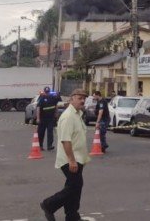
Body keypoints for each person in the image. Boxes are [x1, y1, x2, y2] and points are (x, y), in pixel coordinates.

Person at [40, 88, 91, 221]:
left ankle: (72, 215)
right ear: (71, 98)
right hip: (70, 159)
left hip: (78, 158)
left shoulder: (77, 114)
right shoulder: (68, 116)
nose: (83, 100)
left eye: (84, 98)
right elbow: (65, 140)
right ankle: (49, 204)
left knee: (75, 188)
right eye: (79, 98)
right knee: (73, 187)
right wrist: (72, 160)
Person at [37, 86, 60, 151]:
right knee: (41, 132)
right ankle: (40, 145)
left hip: (50, 118)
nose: (47, 93)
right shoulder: (41, 98)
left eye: (48, 92)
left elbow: (56, 106)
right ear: (44, 92)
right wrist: (38, 118)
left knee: (50, 132)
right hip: (42, 118)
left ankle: (49, 145)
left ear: (49, 92)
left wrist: (56, 114)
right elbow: (38, 108)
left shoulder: (53, 98)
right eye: (46, 92)